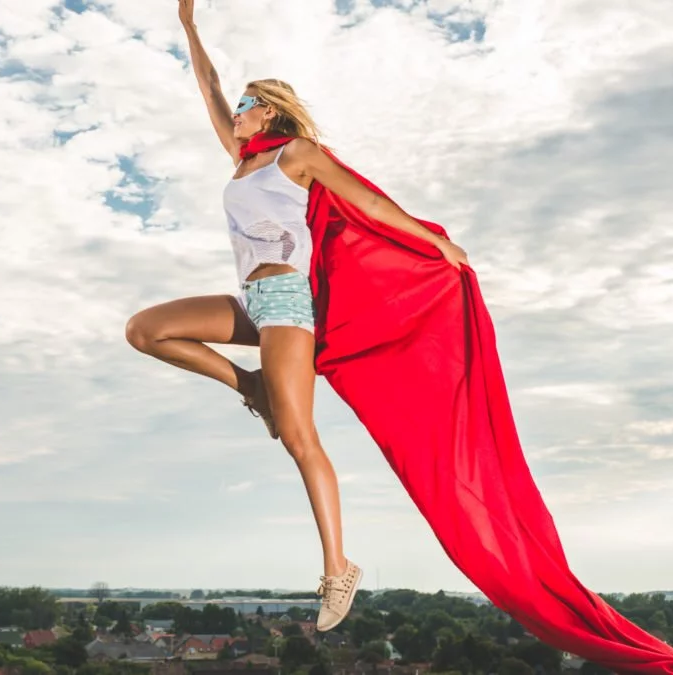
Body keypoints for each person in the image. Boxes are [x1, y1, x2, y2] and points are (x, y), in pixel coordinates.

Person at [124, 0, 469, 633]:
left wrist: (432, 241)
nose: (236, 113)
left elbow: (365, 198)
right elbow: (208, 84)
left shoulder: (298, 155)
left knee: (298, 437)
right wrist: (188, 27)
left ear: (273, 111)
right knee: (146, 329)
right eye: (238, 108)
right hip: (251, 303)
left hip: (288, 302)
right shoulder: (242, 159)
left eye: (248, 105)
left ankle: (339, 568)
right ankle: (250, 385)